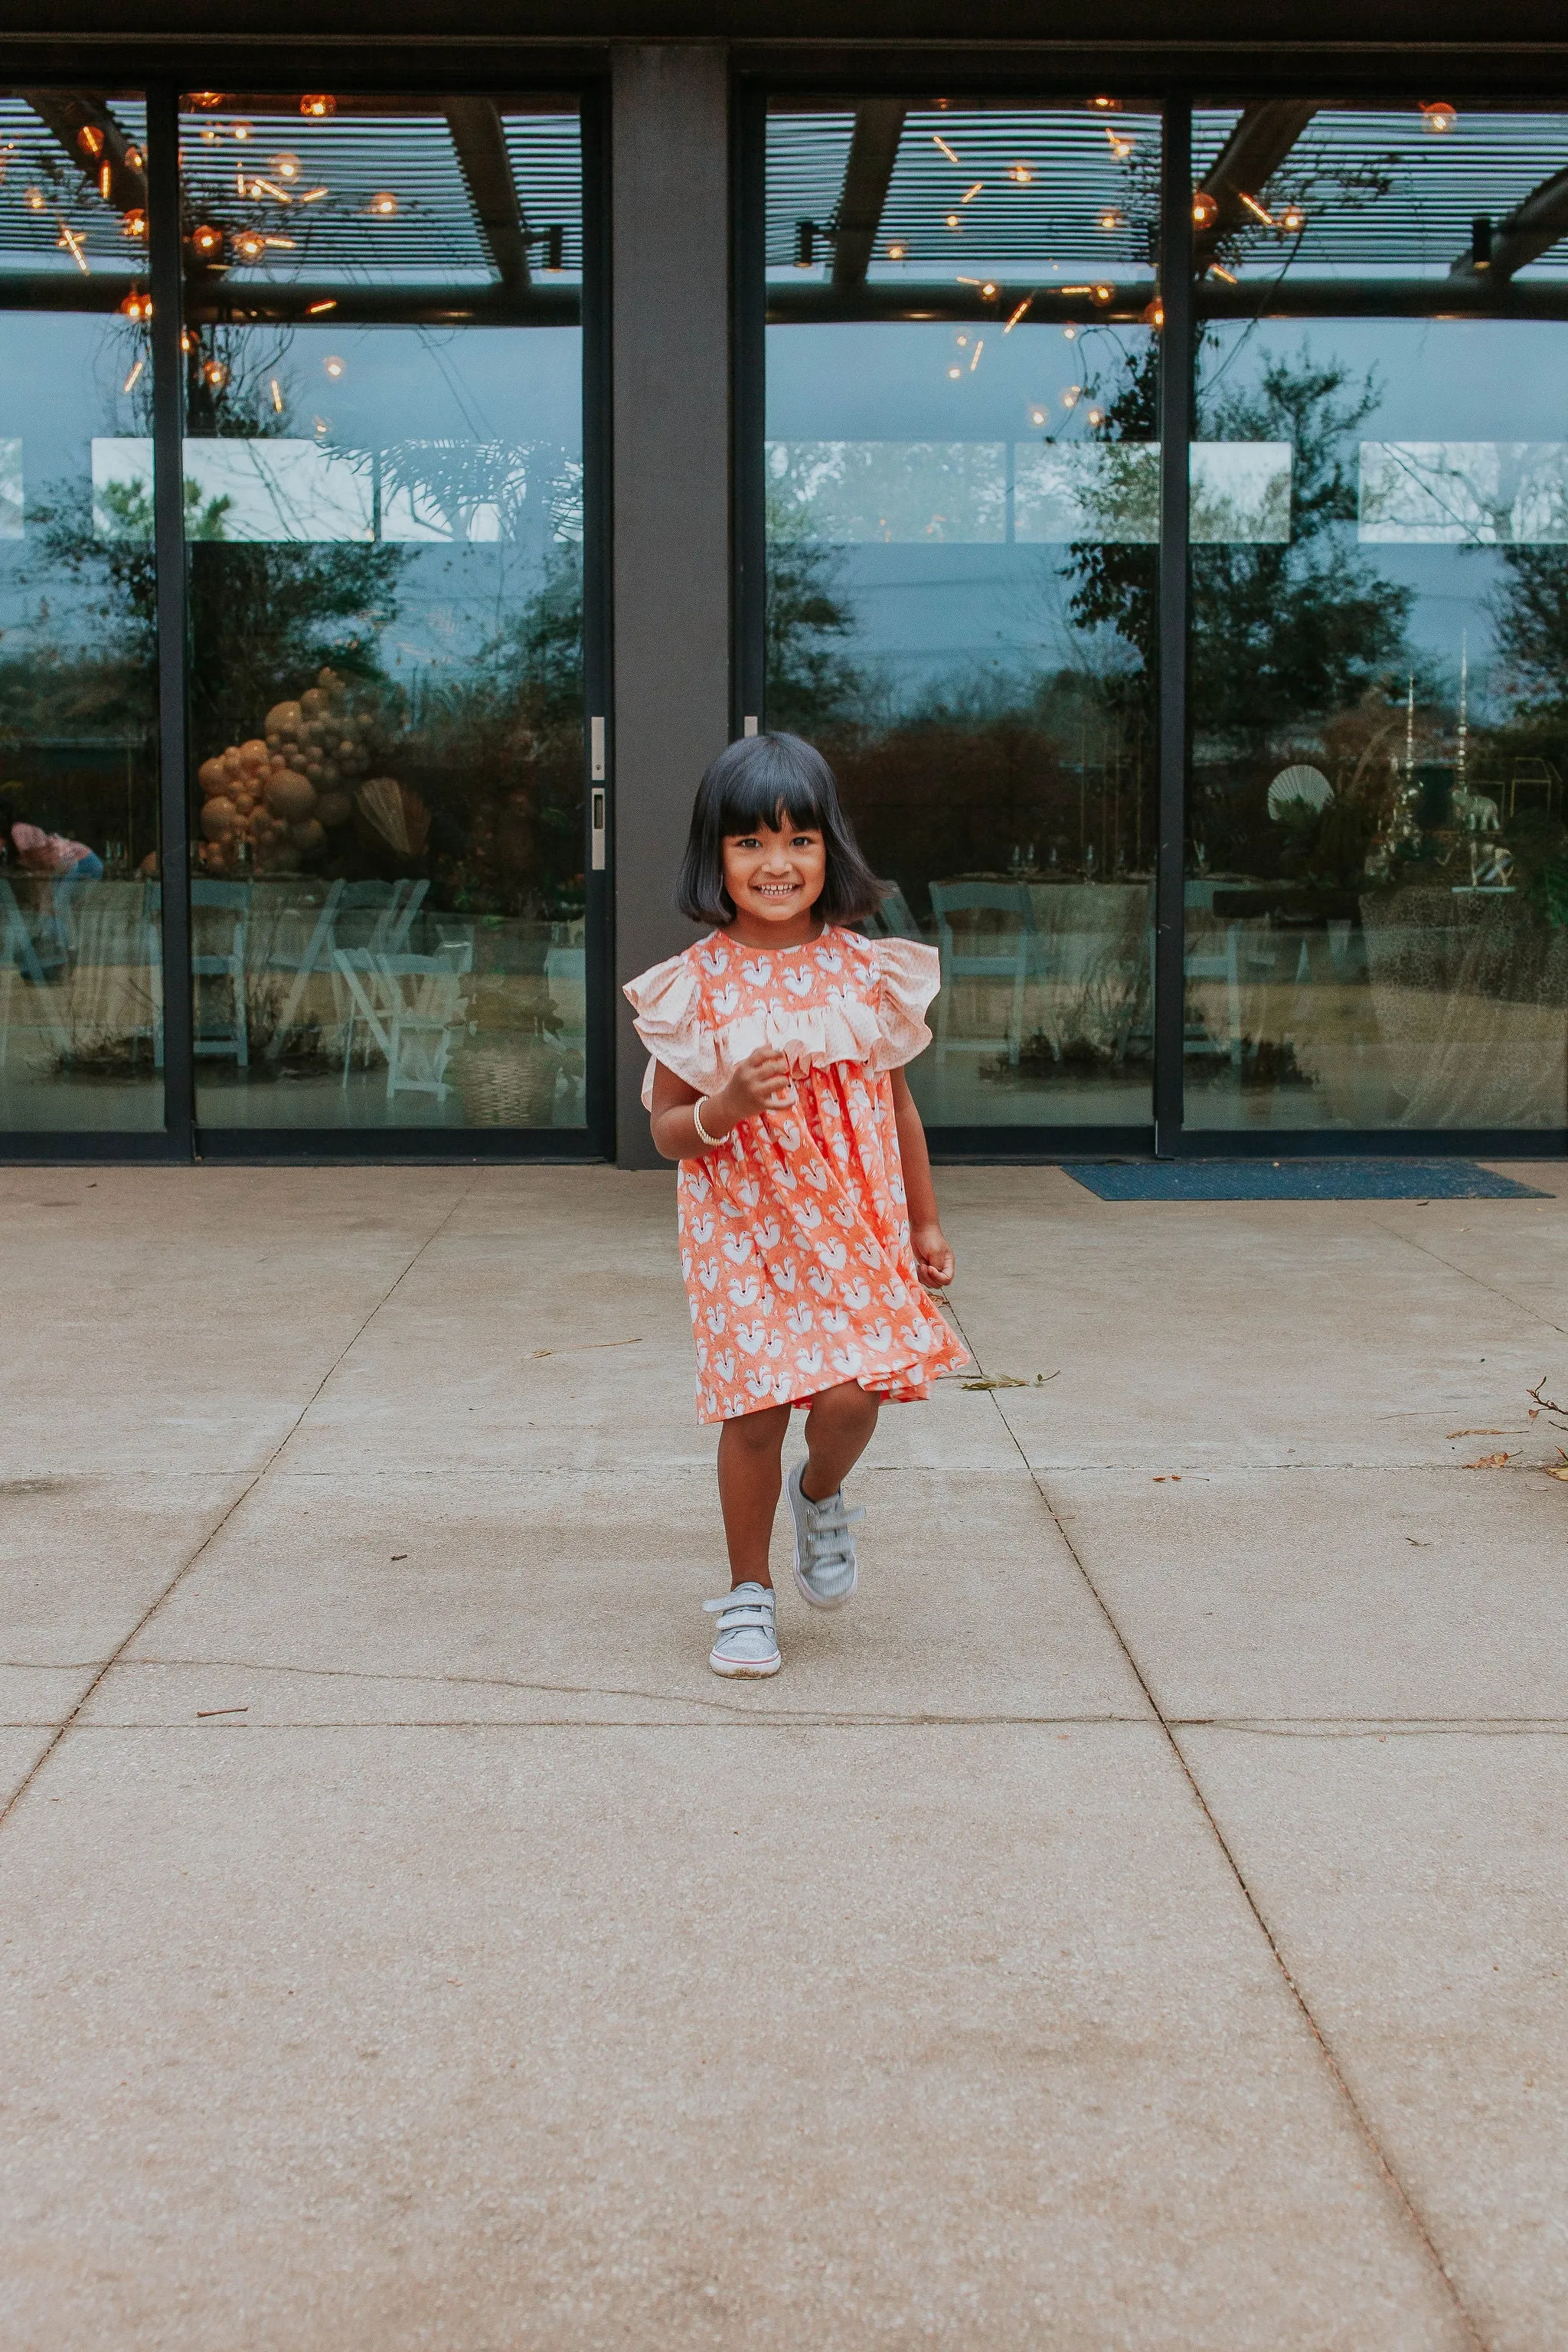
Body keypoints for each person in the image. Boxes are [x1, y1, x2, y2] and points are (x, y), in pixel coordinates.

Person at [625, 731, 968, 1681]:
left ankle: (818, 1495)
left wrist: (924, 1220)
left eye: (799, 841)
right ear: (715, 857)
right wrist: (722, 1107)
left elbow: (896, 1107)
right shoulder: (690, 987)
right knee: (756, 1412)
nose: (776, 865)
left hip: (850, 1220)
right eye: (750, 844)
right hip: (742, 1229)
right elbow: (664, 1131)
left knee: (852, 1396)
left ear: (830, 850)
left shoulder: (867, 972)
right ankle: (746, 1595)